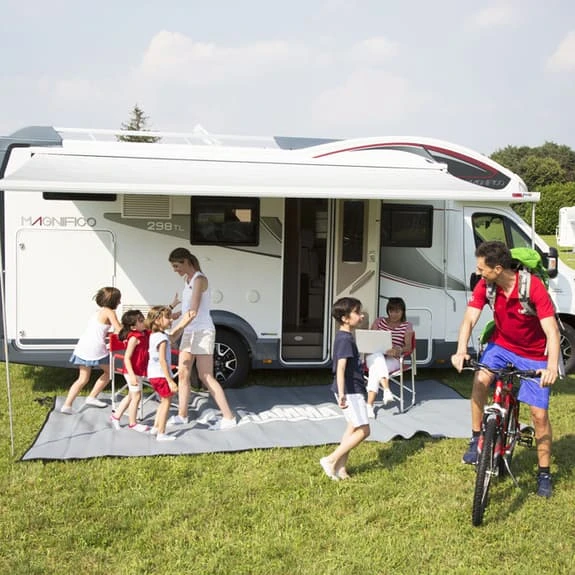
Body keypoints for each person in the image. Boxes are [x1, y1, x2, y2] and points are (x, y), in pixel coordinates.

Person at [451, 241, 560, 498]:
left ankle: (544, 473)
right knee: (480, 380)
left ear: (498, 269)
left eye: (481, 268)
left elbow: (552, 331)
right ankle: (477, 438)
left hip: (534, 353)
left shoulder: (533, 287)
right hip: (501, 345)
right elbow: (469, 318)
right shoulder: (486, 285)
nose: (478, 272)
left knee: (539, 415)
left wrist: (551, 366)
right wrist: (461, 350)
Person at [167, 247, 237, 429]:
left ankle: (229, 417)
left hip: (203, 331)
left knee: (205, 376)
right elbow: (187, 310)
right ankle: (182, 415)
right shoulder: (187, 280)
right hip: (190, 331)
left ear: (186, 261)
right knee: (183, 373)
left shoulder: (199, 279)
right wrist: (175, 317)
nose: (175, 270)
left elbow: (193, 311)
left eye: (176, 266)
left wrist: (175, 332)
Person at [319, 297, 370, 480]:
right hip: (350, 391)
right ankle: (330, 460)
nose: (361, 315)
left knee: (352, 428)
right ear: (345, 318)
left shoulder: (345, 337)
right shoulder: (345, 340)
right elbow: (340, 368)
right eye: (357, 312)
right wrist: (342, 394)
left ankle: (340, 467)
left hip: (352, 390)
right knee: (364, 430)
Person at [61, 287, 122, 414]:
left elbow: (99, 330)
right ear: (113, 301)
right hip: (95, 348)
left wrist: (108, 334)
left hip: (83, 346)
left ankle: (67, 405)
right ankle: (91, 397)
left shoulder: (97, 312)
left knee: (82, 379)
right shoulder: (110, 312)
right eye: (118, 300)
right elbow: (119, 330)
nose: (120, 302)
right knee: (109, 372)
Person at [146, 305, 194, 441]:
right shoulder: (161, 339)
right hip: (161, 375)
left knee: (163, 401)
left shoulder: (156, 335)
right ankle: (161, 433)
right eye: (167, 317)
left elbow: (172, 337)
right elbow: (162, 360)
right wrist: (170, 380)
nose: (171, 320)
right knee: (166, 402)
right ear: (157, 320)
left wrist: (185, 323)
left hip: (153, 374)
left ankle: (156, 427)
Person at [365, 297, 413, 418]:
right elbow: (370, 338)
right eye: (391, 311)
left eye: (397, 311)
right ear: (388, 311)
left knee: (374, 370)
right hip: (374, 355)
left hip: (393, 358)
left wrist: (398, 350)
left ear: (403, 311)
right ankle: (386, 390)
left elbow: (408, 346)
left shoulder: (407, 326)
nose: (394, 314)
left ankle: (369, 406)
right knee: (378, 356)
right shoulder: (379, 321)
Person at [108, 310, 151, 433]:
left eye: (143, 319)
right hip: (132, 371)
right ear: (133, 327)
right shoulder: (134, 338)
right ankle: (133, 423)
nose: (144, 322)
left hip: (138, 370)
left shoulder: (144, 333)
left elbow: (154, 320)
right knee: (137, 396)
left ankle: (116, 416)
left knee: (131, 395)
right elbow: (127, 358)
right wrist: (132, 376)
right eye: (141, 321)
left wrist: (171, 307)